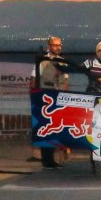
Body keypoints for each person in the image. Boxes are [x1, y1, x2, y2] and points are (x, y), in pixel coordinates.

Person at [30, 36, 70, 168]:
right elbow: (33, 79)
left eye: (60, 45)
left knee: (54, 129)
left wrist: (63, 99)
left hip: (57, 99)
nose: (58, 47)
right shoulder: (43, 62)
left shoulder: (63, 62)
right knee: (44, 128)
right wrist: (37, 97)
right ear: (49, 46)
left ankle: (52, 160)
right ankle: (47, 160)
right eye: (55, 45)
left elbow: (65, 82)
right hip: (44, 98)